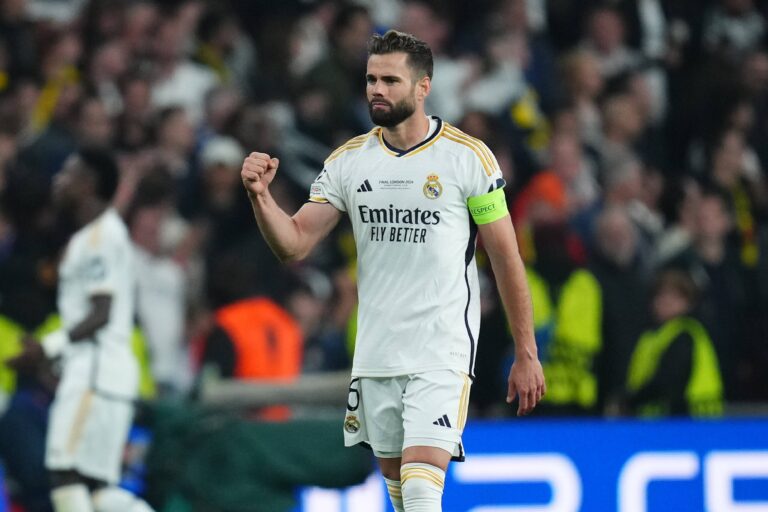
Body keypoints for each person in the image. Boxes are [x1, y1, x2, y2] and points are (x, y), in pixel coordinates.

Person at [241, 30, 545, 512]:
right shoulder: (349, 162)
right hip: (377, 353)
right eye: (370, 80)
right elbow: (294, 243)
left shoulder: (467, 158)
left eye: (389, 80)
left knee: (423, 487)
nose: (376, 90)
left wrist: (526, 351)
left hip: (440, 348)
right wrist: (261, 197)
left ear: (423, 87)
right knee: (402, 495)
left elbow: (506, 257)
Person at [6, 149, 154, 512]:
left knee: (64, 474)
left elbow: (100, 313)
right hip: (104, 373)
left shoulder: (99, 239)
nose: (60, 181)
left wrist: (47, 348)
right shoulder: (97, 235)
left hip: (95, 374)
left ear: (88, 185)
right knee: (98, 487)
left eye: (68, 174)